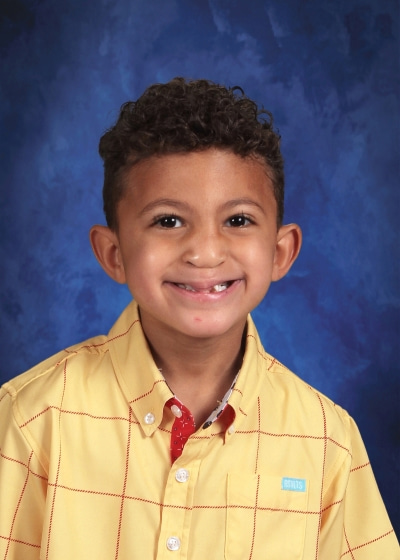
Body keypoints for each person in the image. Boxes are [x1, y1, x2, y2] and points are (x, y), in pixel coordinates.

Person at [0, 78, 398, 560]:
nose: (205, 253)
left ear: (280, 251)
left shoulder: (327, 440)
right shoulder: (31, 419)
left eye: (238, 220)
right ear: (114, 253)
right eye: (168, 221)